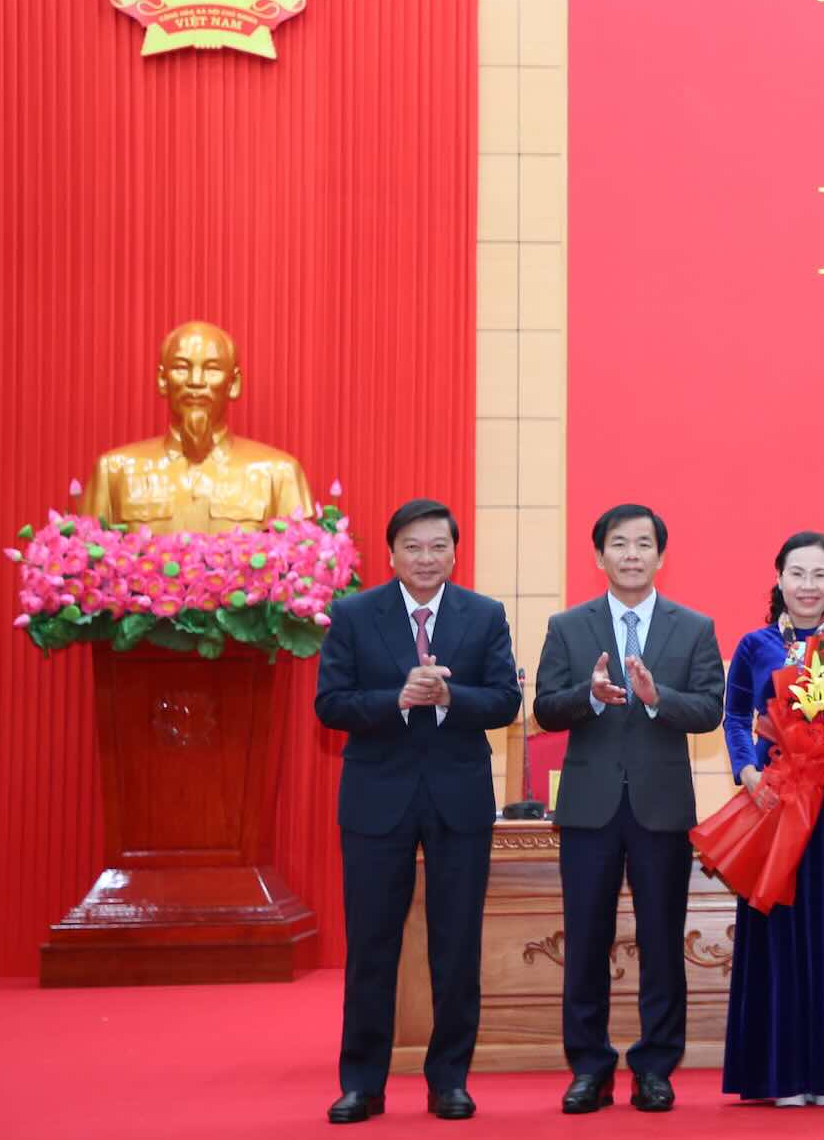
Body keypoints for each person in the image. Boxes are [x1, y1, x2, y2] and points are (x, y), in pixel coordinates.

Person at [314, 498, 521, 1123]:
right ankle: (363, 1083)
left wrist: (449, 695)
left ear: (455, 552)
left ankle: (449, 1080)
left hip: (458, 802)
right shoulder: (354, 615)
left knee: (456, 945)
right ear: (391, 553)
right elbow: (331, 704)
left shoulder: (484, 616)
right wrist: (397, 699)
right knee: (372, 944)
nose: (425, 558)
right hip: (377, 800)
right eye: (412, 547)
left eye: (437, 546)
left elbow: (507, 699)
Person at [532, 504, 724, 1115]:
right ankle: (588, 1067)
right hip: (589, 808)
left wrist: (654, 697)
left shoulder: (693, 627)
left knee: (663, 942)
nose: (633, 554)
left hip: (661, 809)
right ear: (600, 556)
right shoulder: (568, 626)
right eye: (620, 543)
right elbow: (544, 708)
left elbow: (710, 711)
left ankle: (655, 1066)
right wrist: (587, 697)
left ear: (661, 556)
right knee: (585, 941)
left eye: (644, 544)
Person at [720, 532, 824, 1105]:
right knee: (781, 934)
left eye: (821, 575)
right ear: (778, 578)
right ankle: (782, 1073)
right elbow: (736, 717)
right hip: (776, 803)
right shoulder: (755, 643)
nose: (809, 586)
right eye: (798, 573)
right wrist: (746, 772)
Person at [80, 319, 312, 533]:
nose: (195, 381)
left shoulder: (279, 474)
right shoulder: (114, 471)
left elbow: (301, 569)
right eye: (181, 367)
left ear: (234, 383)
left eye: (212, 369)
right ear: (163, 380)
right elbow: (89, 565)